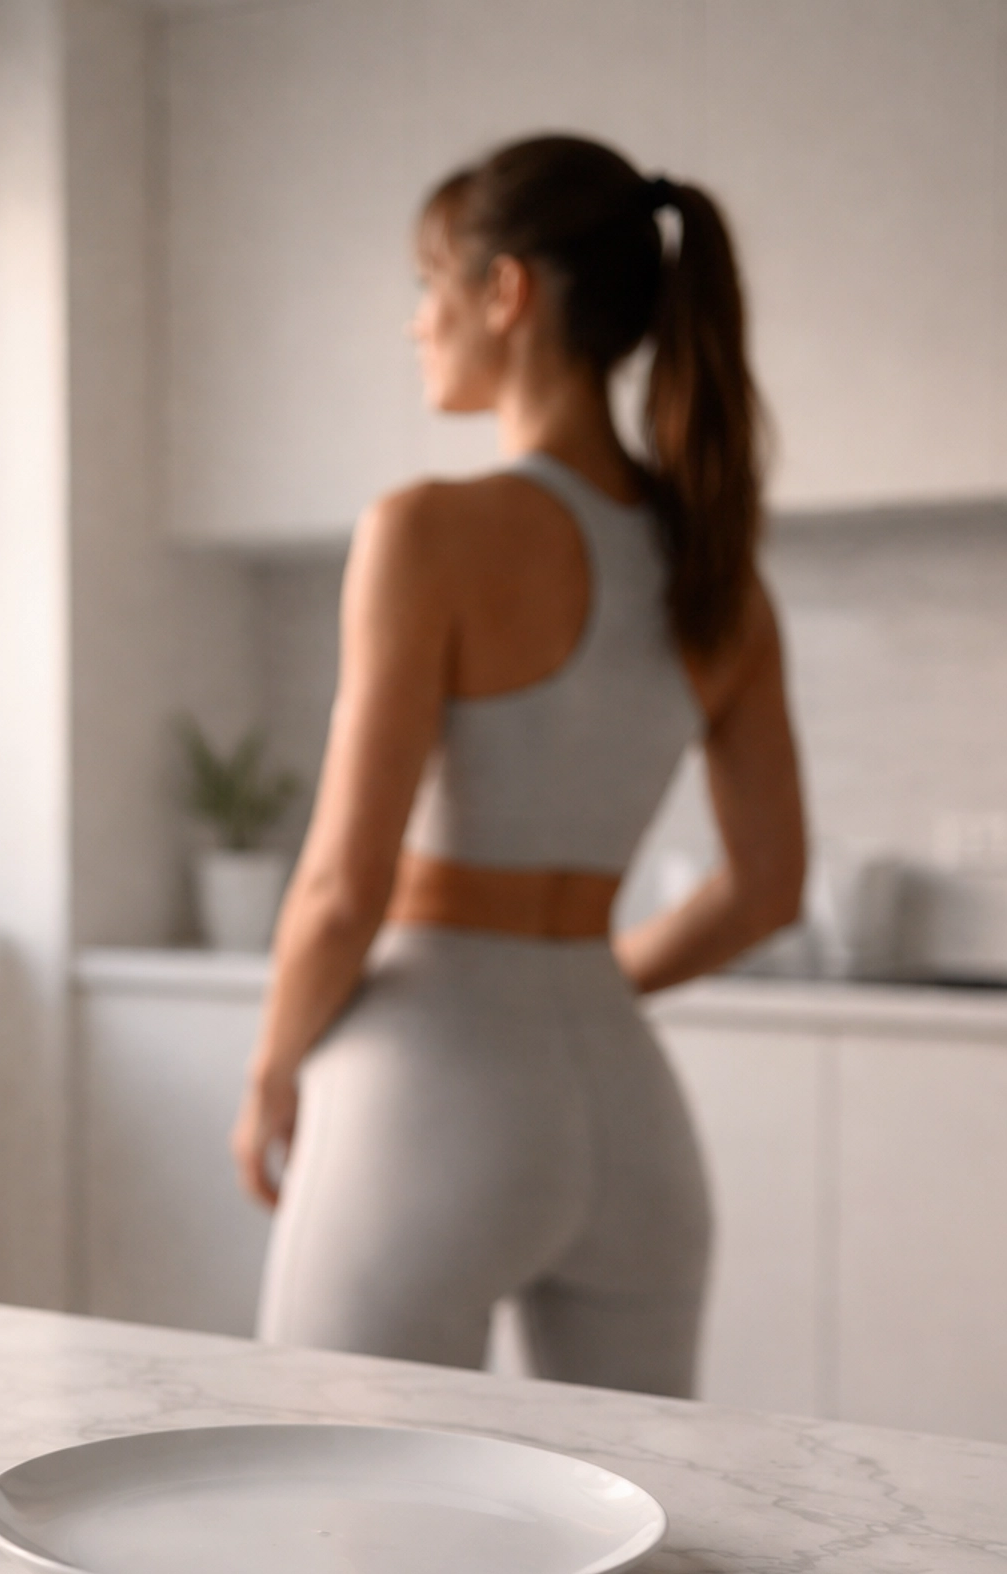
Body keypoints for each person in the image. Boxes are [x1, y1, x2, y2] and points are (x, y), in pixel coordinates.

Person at [231, 134, 805, 1396]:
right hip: (630, 1112)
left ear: (507, 293)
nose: (414, 322)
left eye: (432, 283)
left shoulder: (427, 531)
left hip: (425, 1089)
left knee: (334, 1508)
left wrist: (272, 1067)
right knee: (633, 1551)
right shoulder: (720, 571)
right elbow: (768, 888)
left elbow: (342, 884)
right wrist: (583, 989)